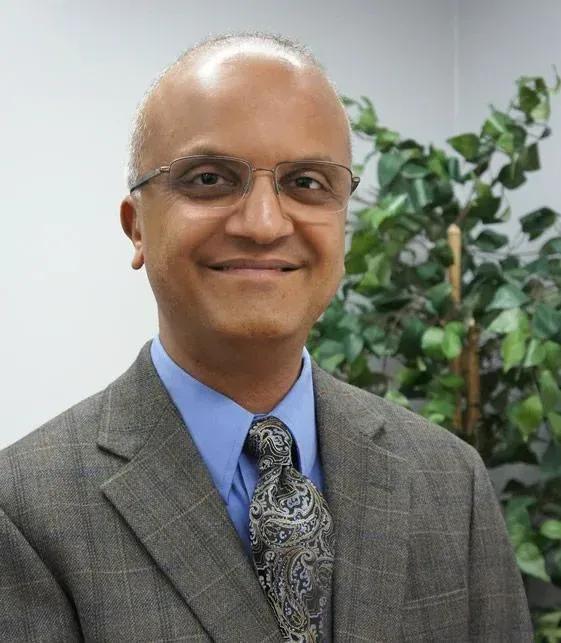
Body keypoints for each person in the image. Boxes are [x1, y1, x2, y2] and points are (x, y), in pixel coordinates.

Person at [0, 32, 532, 642]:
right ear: (136, 228)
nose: (263, 224)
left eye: (306, 182)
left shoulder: (449, 480)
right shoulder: (22, 511)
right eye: (209, 179)